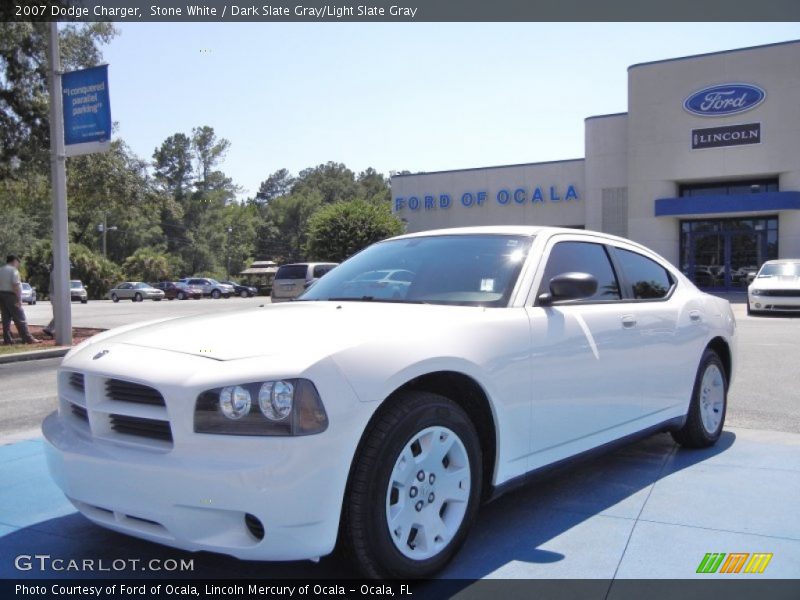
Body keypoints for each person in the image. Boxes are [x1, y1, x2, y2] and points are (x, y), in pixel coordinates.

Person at [0, 254, 41, 344]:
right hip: (11, 295)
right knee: (20, 317)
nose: (18, 265)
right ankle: (28, 338)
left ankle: (7, 339)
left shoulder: (1, 270)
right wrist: (19, 299)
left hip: (2, 295)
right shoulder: (13, 270)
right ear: (14, 261)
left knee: (6, 318)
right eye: (18, 263)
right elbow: (15, 285)